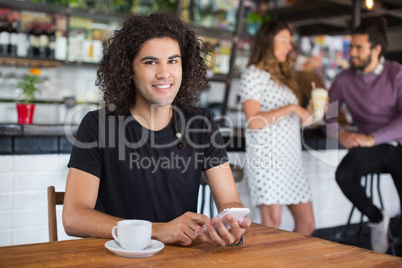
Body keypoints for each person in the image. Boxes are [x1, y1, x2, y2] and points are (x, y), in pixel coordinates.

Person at [62, 12, 251, 247]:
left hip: (181, 259)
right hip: (117, 257)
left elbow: (229, 200)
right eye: (151, 62)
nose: (164, 73)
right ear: (128, 70)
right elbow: (74, 218)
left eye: (173, 61)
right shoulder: (98, 125)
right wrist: (158, 231)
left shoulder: (201, 123)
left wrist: (231, 221)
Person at [328, 19, 402, 253]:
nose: (353, 53)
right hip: (368, 149)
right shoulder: (343, 79)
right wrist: (340, 134)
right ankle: (377, 218)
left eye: (359, 48)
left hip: (398, 144)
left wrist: (372, 137)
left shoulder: (397, 74)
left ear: (376, 49)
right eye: (352, 47)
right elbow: (326, 116)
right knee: (344, 175)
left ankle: (396, 243)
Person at [239, 20, 315, 235]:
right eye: (283, 40)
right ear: (267, 41)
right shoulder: (252, 74)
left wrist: (308, 111)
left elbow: (302, 119)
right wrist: (292, 107)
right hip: (268, 159)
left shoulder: (284, 78)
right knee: (272, 224)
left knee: (307, 224)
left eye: (289, 42)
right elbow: (254, 120)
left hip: (291, 160)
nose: (289, 47)